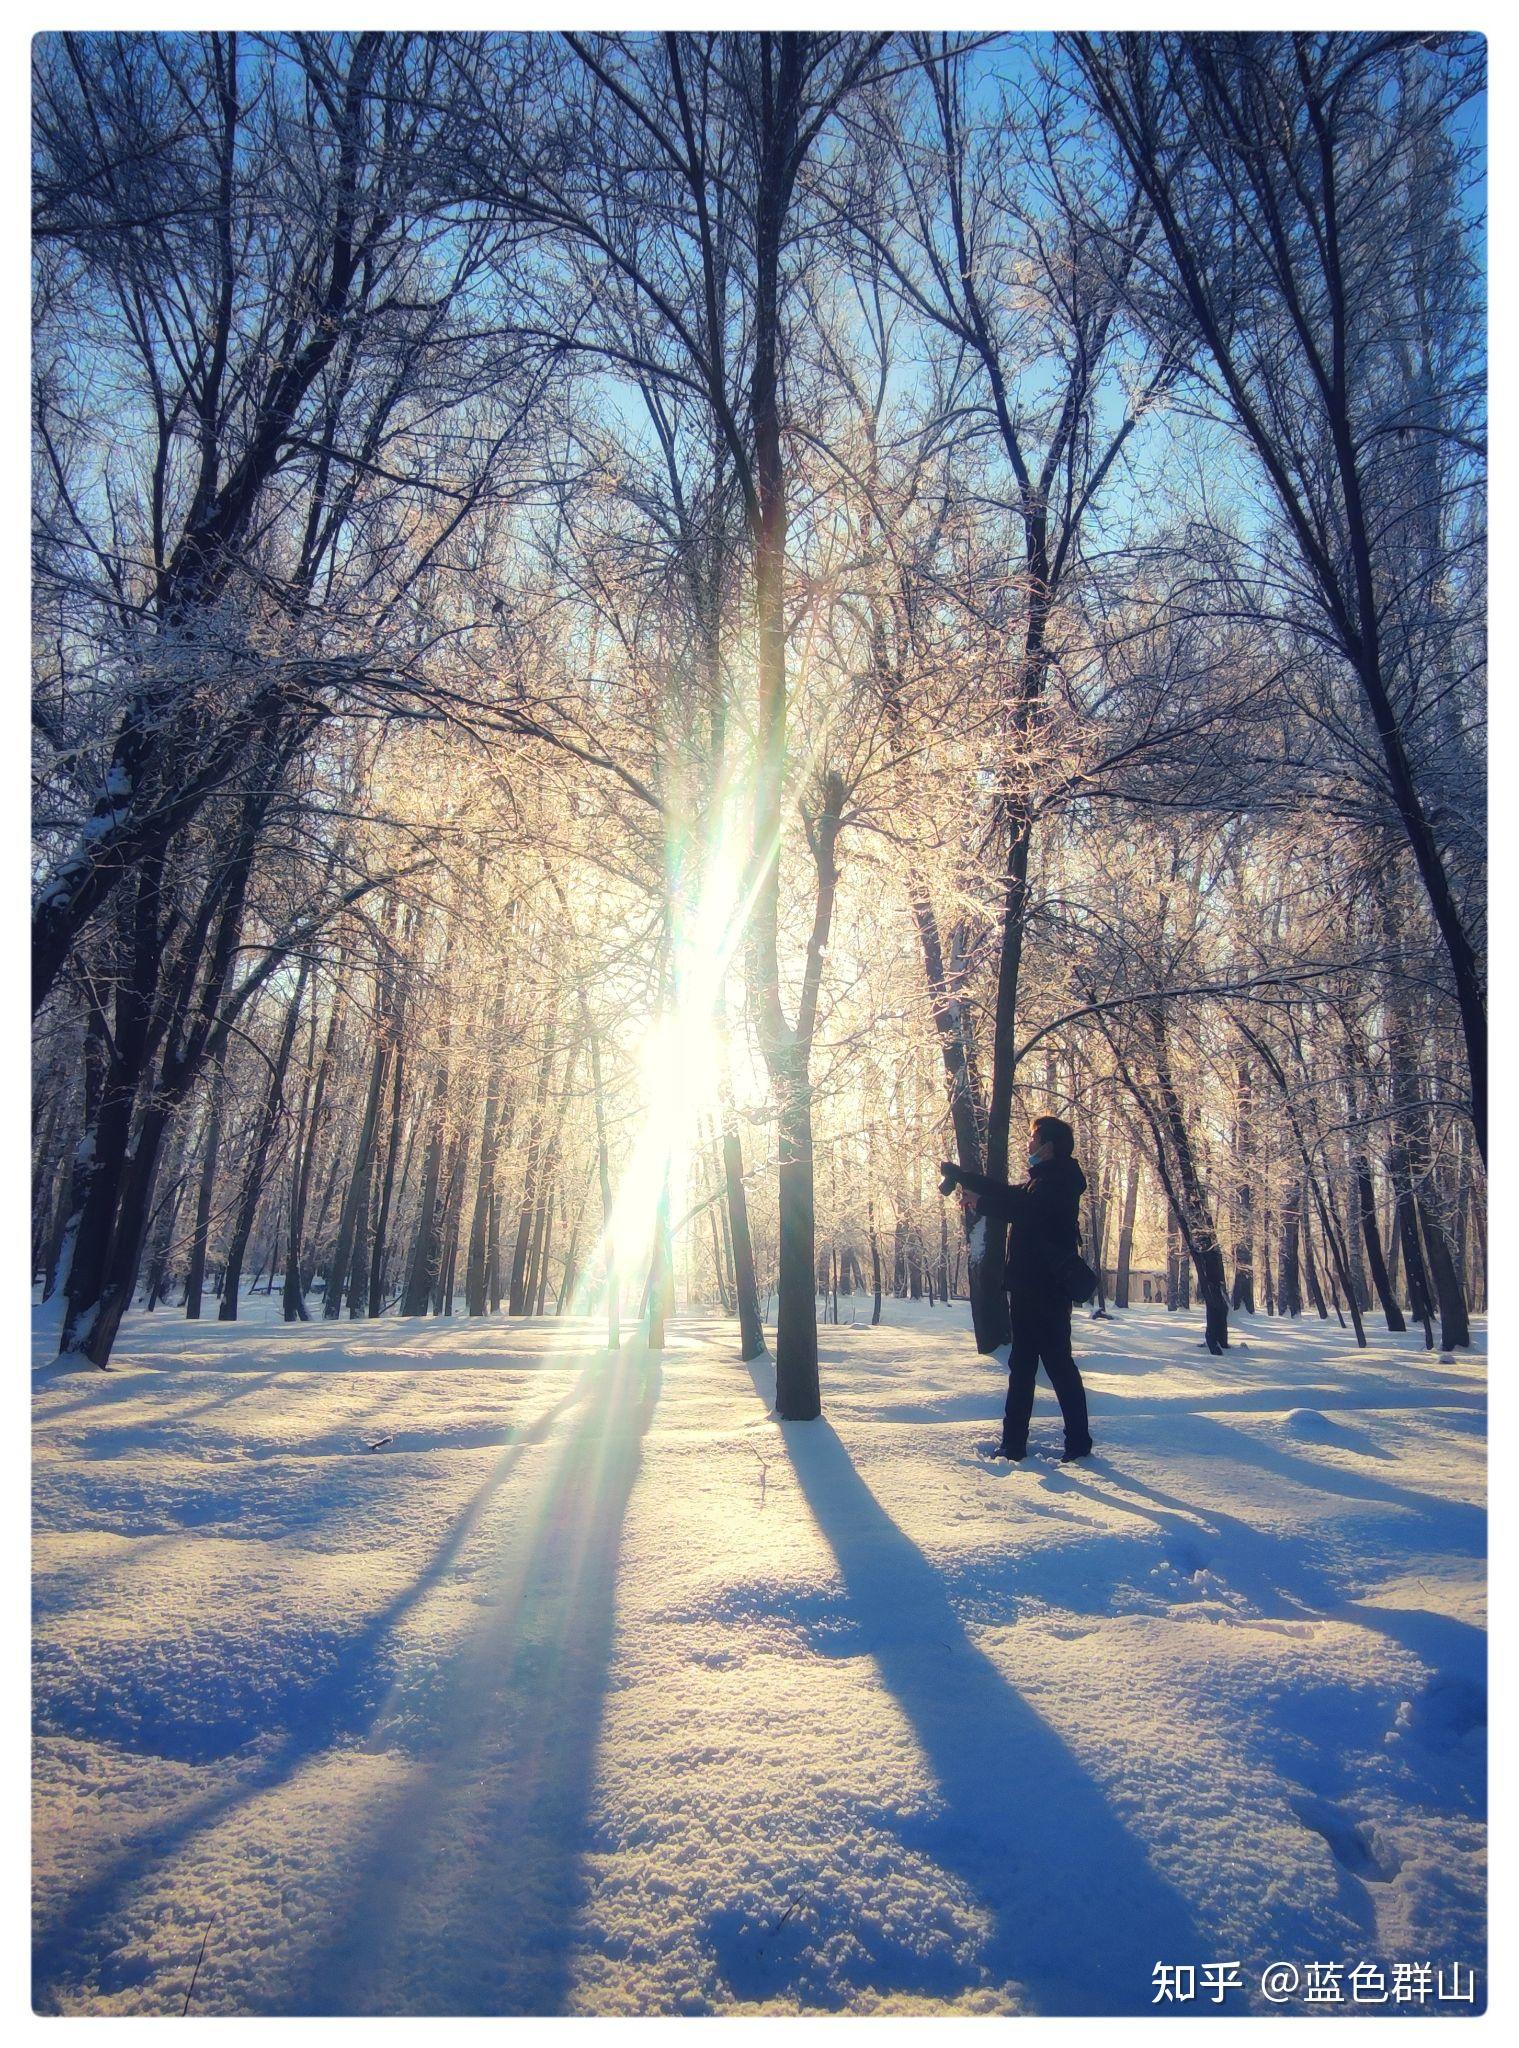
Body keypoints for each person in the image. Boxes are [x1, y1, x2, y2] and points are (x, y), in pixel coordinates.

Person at [941, 1116, 1094, 1463]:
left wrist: (980, 1203)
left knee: (1056, 1366)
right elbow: (1009, 1194)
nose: (1028, 1146)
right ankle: (1014, 1444)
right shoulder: (1042, 1181)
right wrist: (964, 1177)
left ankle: (1077, 1443)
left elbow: (1023, 1211)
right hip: (1029, 1290)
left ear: (1048, 1146)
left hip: (1047, 1292)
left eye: (1033, 1139)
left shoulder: (1059, 1182)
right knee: (1025, 1366)